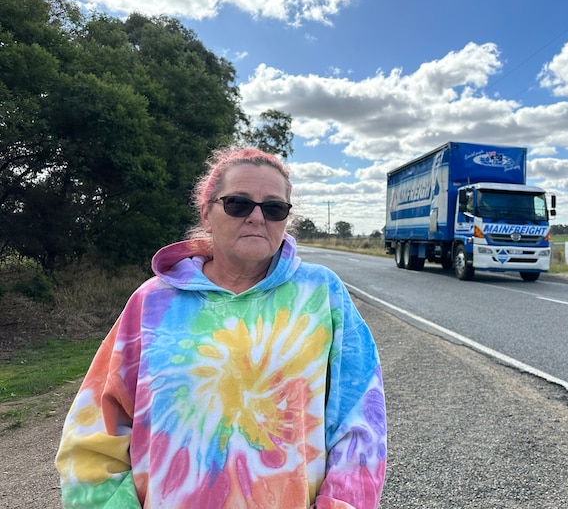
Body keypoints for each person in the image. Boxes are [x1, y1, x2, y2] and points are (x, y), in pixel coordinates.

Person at [55, 146, 387, 508]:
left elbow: (361, 426)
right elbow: (92, 433)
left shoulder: (322, 294)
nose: (257, 218)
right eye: (238, 204)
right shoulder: (152, 302)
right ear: (207, 213)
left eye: (274, 208)